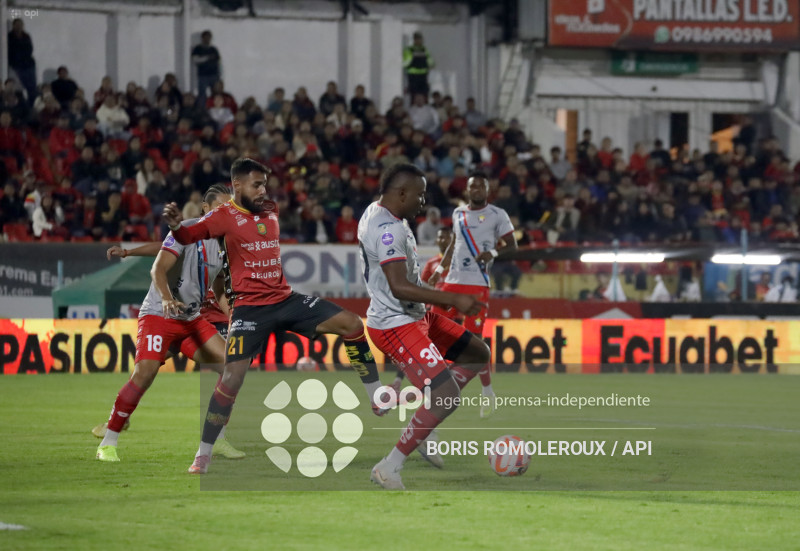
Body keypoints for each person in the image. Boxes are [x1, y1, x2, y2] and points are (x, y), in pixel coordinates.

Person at [161, 158, 385, 475]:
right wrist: (174, 226)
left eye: (265, 183)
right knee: (231, 378)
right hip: (250, 309)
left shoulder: (271, 209)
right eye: (256, 184)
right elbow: (188, 236)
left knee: (351, 324)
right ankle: (204, 453)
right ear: (236, 185)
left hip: (284, 298)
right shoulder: (224, 217)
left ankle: (377, 397)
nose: (264, 190)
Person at [358, 163, 489, 490]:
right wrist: (453, 300)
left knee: (476, 353)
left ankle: (425, 421)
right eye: (419, 194)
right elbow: (399, 286)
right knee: (446, 396)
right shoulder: (387, 228)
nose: (423, 201)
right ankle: (389, 466)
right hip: (395, 323)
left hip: (414, 316)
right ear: (401, 193)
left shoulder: (382, 213)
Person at [95, 184, 245, 463]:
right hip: (159, 315)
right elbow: (158, 267)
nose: (226, 212)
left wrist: (233, 314)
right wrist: (165, 297)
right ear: (205, 209)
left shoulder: (224, 243)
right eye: (221, 207)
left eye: (230, 208)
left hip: (191, 319)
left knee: (233, 367)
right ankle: (108, 441)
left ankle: (217, 439)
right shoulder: (187, 229)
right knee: (144, 374)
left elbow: (222, 287)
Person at [428, 173, 517, 417]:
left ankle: (487, 391)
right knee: (432, 331)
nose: (476, 189)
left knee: (474, 341)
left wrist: (493, 254)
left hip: (477, 285)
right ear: (467, 190)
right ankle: (434, 384)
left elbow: (512, 245)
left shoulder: (498, 215)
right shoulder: (458, 214)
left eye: (481, 185)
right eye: (472, 186)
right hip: (452, 284)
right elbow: (453, 244)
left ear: (488, 190)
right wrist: (439, 270)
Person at [7, 19, 37, 106]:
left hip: (28, 65)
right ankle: (21, 105)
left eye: (20, 25)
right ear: (13, 25)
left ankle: (31, 105)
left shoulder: (26, 36)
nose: (19, 27)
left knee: (32, 88)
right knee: (19, 87)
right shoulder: (9, 36)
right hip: (17, 66)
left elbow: (30, 49)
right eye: (17, 25)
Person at [191, 30, 221, 106]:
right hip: (203, 76)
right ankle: (202, 110)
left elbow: (218, 62)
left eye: (209, 37)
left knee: (216, 94)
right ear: (202, 38)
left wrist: (219, 76)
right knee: (202, 95)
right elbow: (195, 60)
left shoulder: (213, 49)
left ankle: (214, 108)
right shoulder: (198, 48)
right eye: (206, 37)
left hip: (214, 75)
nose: (207, 39)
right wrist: (207, 58)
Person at [403, 32, 434, 99]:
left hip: (423, 75)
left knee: (424, 95)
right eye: (416, 39)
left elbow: (429, 60)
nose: (418, 41)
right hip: (413, 76)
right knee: (414, 95)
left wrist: (431, 64)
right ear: (414, 40)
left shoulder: (424, 49)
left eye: (419, 39)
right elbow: (406, 62)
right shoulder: (409, 49)